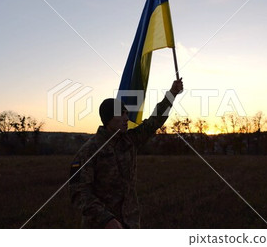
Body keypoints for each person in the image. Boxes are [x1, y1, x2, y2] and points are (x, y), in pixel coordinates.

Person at [69, 78, 184, 229]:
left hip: (130, 223)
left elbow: (154, 121)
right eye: (121, 114)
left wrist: (172, 94)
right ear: (108, 119)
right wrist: (106, 219)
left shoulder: (130, 140)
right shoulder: (89, 151)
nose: (126, 118)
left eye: (126, 113)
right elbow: (79, 192)